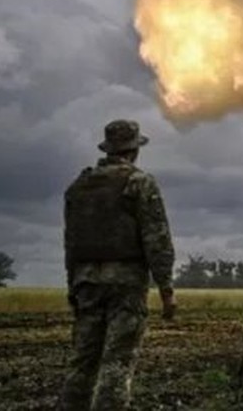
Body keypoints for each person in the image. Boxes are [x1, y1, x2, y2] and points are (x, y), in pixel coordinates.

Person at [58, 119, 176, 410]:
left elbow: (70, 241)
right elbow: (156, 238)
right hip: (125, 282)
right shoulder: (140, 182)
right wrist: (166, 289)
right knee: (117, 363)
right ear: (134, 150)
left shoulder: (79, 186)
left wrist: (73, 284)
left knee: (82, 362)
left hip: (85, 281)